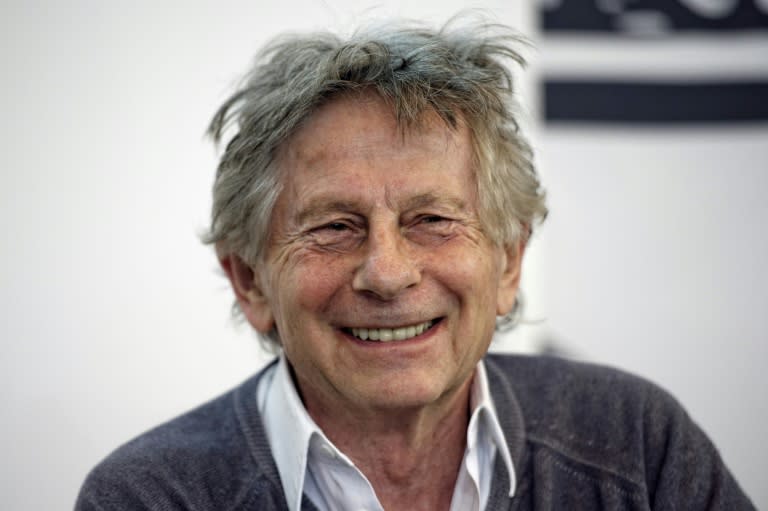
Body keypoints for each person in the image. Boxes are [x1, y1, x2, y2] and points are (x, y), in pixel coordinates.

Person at [76, 17, 755, 511]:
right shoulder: (149, 495)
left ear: (509, 260)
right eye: (334, 227)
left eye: (431, 220)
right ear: (250, 280)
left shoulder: (636, 446)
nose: (388, 272)